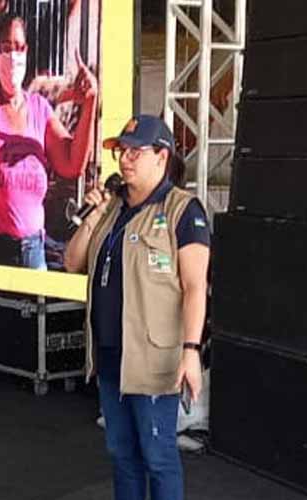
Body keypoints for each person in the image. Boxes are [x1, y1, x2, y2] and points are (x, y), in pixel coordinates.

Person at [64, 115, 210, 500]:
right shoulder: (111, 208)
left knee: (157, 456)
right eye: (121, 151)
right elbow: (72, 261)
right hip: (112, 357)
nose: (124, 159)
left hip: (154, 361)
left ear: (161, 157)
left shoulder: (183, 210)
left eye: (135, 151)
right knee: (121, 455)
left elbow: (196, 288)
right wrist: (92, 215)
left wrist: (191, 352)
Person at [0, 14, 98, 269]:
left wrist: (90, 103)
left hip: (34, 251)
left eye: (19, 47)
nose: (13, 56)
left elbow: (73, 165)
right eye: (6, 47)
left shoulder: (40, 109)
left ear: (26, 51)